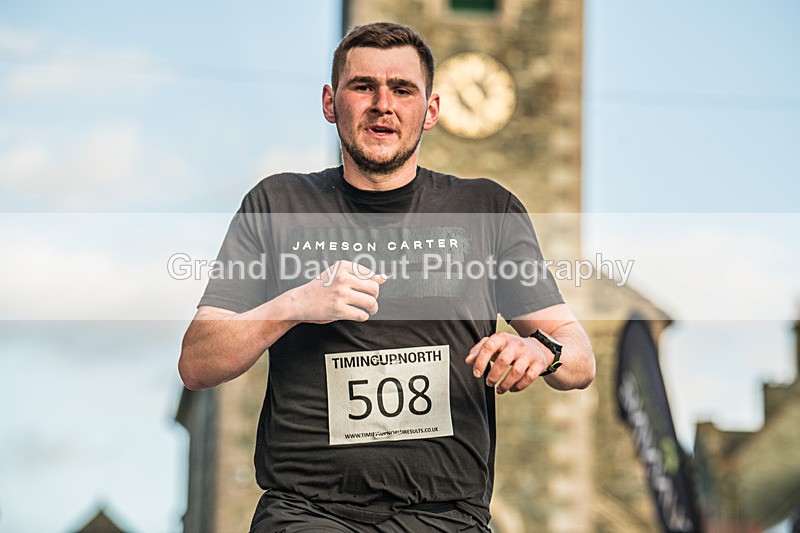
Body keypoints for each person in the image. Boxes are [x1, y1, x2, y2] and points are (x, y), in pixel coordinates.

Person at [179, 21, 595, 533]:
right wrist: (295, 304)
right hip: (308, 513)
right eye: (363, 87)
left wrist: (541, 350)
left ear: (431, 110)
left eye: (402, 89)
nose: (383, 103)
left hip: (448, 516)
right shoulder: (277, 204)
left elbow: (579, 357)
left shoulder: (487, 209)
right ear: (331, 103)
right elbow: (197, 362)